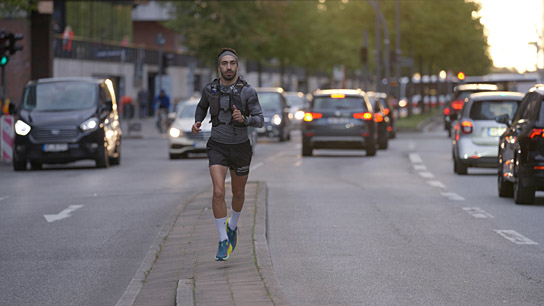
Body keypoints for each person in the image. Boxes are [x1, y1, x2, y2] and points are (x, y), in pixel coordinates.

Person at [192, 48, 264, 261]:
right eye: (225, 63)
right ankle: (223, 240)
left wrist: (244, 119)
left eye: (232, 63)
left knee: (238, 194)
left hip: (241, 147)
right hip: (217, 146)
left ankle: (232, 226)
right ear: (219, 67)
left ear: (237, 66)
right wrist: (198, 121)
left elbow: (260, 119)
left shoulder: (247, 91)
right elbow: (201, 107)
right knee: (218, 192)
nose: (229, 67)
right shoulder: (210, 89)